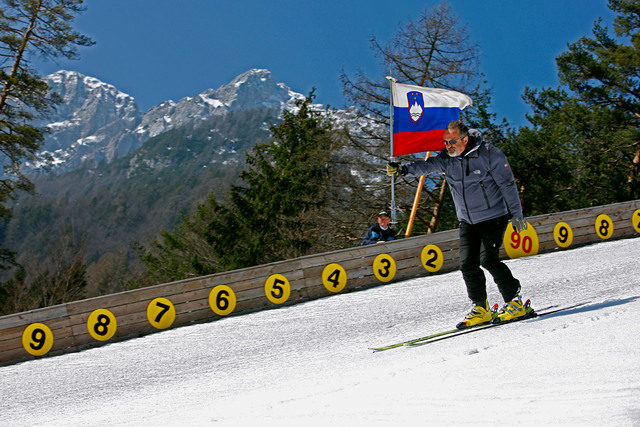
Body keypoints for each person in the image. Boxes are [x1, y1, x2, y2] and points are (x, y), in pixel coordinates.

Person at [387, 120, 529, 328]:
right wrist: (402, 170)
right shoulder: (447, 159)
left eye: (452, 142)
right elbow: (426, 166)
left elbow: (507, 184)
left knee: (488, 260)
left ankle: (515, 302)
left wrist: (517, 215)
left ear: (465, 139)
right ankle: (481, 308)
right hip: (467, 221)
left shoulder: (490, 154)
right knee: (467, 264)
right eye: (445, 142)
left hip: (493, 216)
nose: (448, 146)